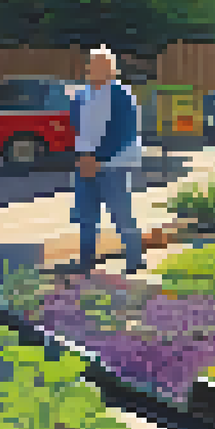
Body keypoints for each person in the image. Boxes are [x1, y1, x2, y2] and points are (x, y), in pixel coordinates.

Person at [67, 46, 145, 275]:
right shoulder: (80, 94)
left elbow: (125, 132)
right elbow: (76, 128)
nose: (95, 68)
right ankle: (86, 259)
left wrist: (98, 158)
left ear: (112, 69)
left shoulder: (122, 94)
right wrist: (82, 157)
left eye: (102, 64)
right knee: (85, 214)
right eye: (93, 63)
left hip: (114, 164)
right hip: (86, 162)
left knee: (121, 212)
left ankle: (134, 258)